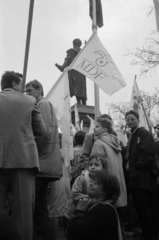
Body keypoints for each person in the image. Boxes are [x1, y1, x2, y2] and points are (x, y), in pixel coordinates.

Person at [0, 71, 46, 240]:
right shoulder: (29, 101)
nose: (24, 90)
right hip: (23, 160)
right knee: (24, 213)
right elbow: (42, 131)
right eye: (22, 85)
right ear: (14, 84)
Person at [25, 80, 62, 240]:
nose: (27, 93)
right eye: (26, 91)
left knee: (31, 205)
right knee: (39, 207)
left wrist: (29, 153)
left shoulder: (43, 104)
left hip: (42, 162)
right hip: (44, 162)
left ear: (40, 90)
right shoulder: (42, 104)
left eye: (30, 90)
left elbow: (42, 134)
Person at [125, 110, 158, 240]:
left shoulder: (143, 133)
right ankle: (146, 233)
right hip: (137, 181)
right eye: (127, 120)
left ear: (138, 119)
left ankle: (151, 235)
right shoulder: (133, 135)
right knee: (141, 210)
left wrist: (136, 166)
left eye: (132, 119)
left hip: (143, 180)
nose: (129, 121)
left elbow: (149, 153)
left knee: (147, 210)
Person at [67, 170, 122, 240]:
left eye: (96, 183)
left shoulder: (103, 210)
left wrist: (79, 211)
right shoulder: (107, 206)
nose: (91, 184)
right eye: (92, 181)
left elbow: (77, 234)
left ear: (106, 190)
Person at [90, 116, 127, 208]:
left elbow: (96, 167)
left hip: (104, 187)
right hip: (115, 185)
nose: (94, 128)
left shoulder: (99, 143)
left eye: (97, 126)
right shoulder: (116, 143)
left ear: (105, 129)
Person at [65, 154, 107, 220]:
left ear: (103, 168)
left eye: (96, 165)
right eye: (90, 165)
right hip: (73, 213)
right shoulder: (82, 178)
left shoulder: (103, 180)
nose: (92, 167)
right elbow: (74, 194)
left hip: (87, 213)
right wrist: (90, 201)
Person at [55, 38, 87, 105]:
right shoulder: (83, 51)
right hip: (82, 72)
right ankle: (84, 102)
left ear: (74, 44)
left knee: (76, 86)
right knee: (82, 87)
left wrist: (62, 67)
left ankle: (79, 102)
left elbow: (68, 60)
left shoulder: (71, 51)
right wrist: (87, 46)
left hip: (75, 72)